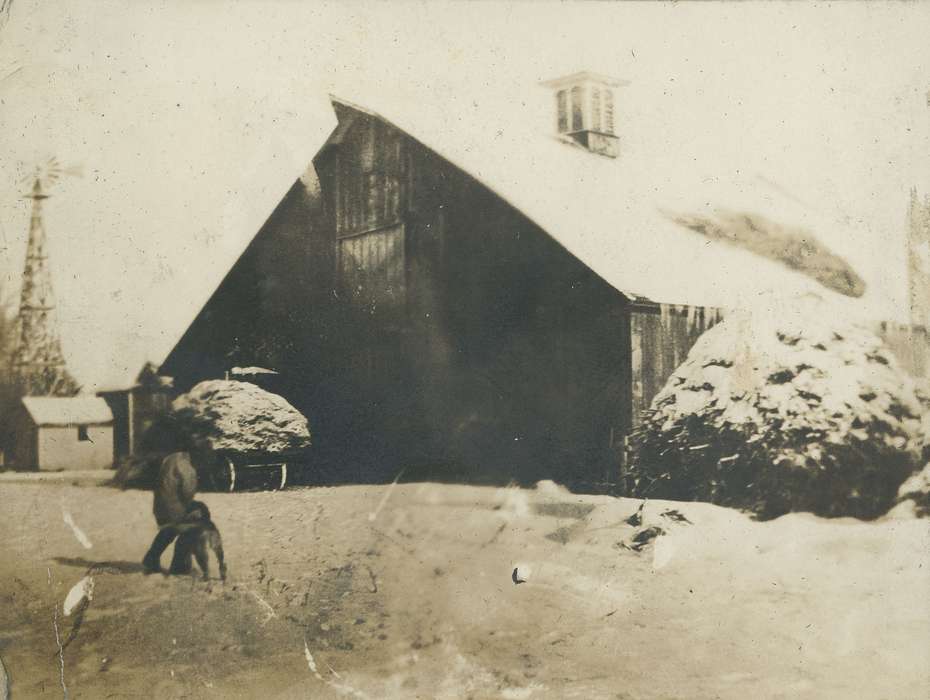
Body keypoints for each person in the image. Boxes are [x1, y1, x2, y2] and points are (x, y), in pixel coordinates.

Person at [142, 450, 203, 574]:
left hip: (161, 507)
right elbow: (188, 490)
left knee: (167, 532)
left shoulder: (169, 460)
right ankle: (180, 567)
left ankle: (151, 558)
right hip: (174, 508)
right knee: (191, 528)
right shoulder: (185, 465)